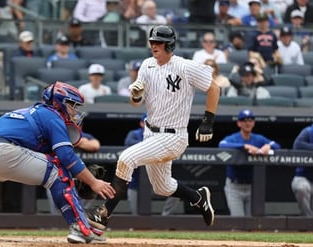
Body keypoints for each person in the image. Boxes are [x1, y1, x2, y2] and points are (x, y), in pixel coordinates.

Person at [86, 25, 220, 230]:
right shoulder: (147, 65)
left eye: (159, 42)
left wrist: (208, 121)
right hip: (150, 132)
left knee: (126, 159)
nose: (154, 46)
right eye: (152, 42)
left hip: (173, 136)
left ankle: (103, 213)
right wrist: (136, 95)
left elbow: (214, 87)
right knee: (162, 186)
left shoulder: (184, 66)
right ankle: (198, 198)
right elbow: (135, 102)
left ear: (170, 44)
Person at [0, 81, 115, 243]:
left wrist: (75, 180)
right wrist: (92, 182)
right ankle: (79, 227)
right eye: (72, 105)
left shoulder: (30, 111)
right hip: (2, 150)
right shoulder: (53, 115)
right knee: (58, 172)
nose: (75, 111)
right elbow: (66, 156)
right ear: (58, 102)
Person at [219, 109, 280, 216]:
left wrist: (268, 146)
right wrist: (244, 147)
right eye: (244, 120)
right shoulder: (234, 138)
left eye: (250, 120)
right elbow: (222, 144)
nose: (247, 123)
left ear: (254, 122)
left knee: (253, 221)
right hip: (234, 186)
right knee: (238, 221)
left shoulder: (258, 138)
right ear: (239, 123)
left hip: (253, 186)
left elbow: (276, 145)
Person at [46, 130, 101, 214]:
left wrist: (70, 142)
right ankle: (55, 225)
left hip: (79, 176)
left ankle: (80, 222)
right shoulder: (55, 131)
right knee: (57, 205)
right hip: (58, 175)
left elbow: (95, 146)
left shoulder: (80, 134)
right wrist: (80, 143)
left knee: (88, 191)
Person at [291, 123, 313, 217]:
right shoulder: (308, 131)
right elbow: (297, 145)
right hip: (304, 176)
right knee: (301, 188)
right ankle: (307, 219)